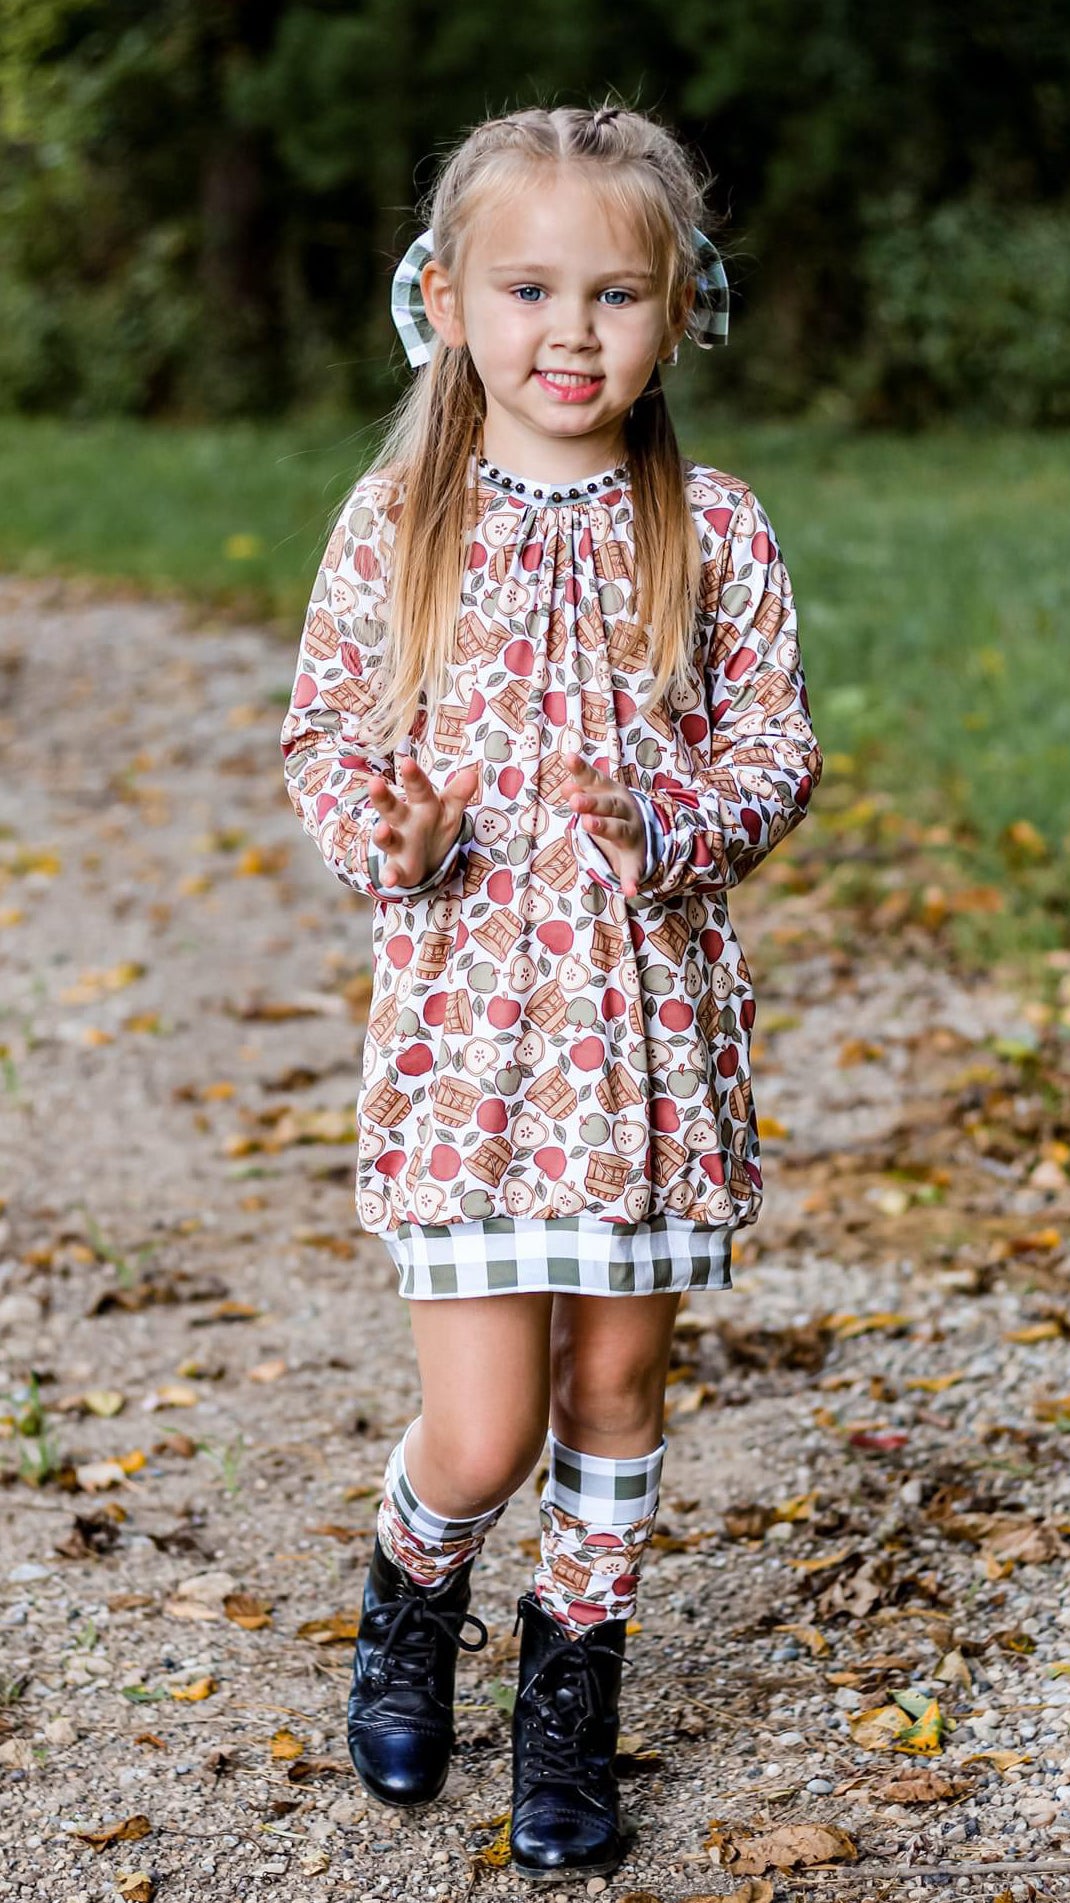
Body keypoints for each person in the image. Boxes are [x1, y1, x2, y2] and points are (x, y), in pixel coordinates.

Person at [281, 101, 822, 1880]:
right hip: (468, 1053)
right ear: (442, 299)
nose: (569, 333)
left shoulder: (714, 528)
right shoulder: (396, 523)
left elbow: (772, 748)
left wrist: (672, 816)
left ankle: (572, 1697)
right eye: (527, 289)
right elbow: (323, 741)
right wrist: (397, 821)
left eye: (614, 295)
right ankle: (413, 1588)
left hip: (643, 1045)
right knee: (487, 1422)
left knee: (609, 1396)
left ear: (682, 309)